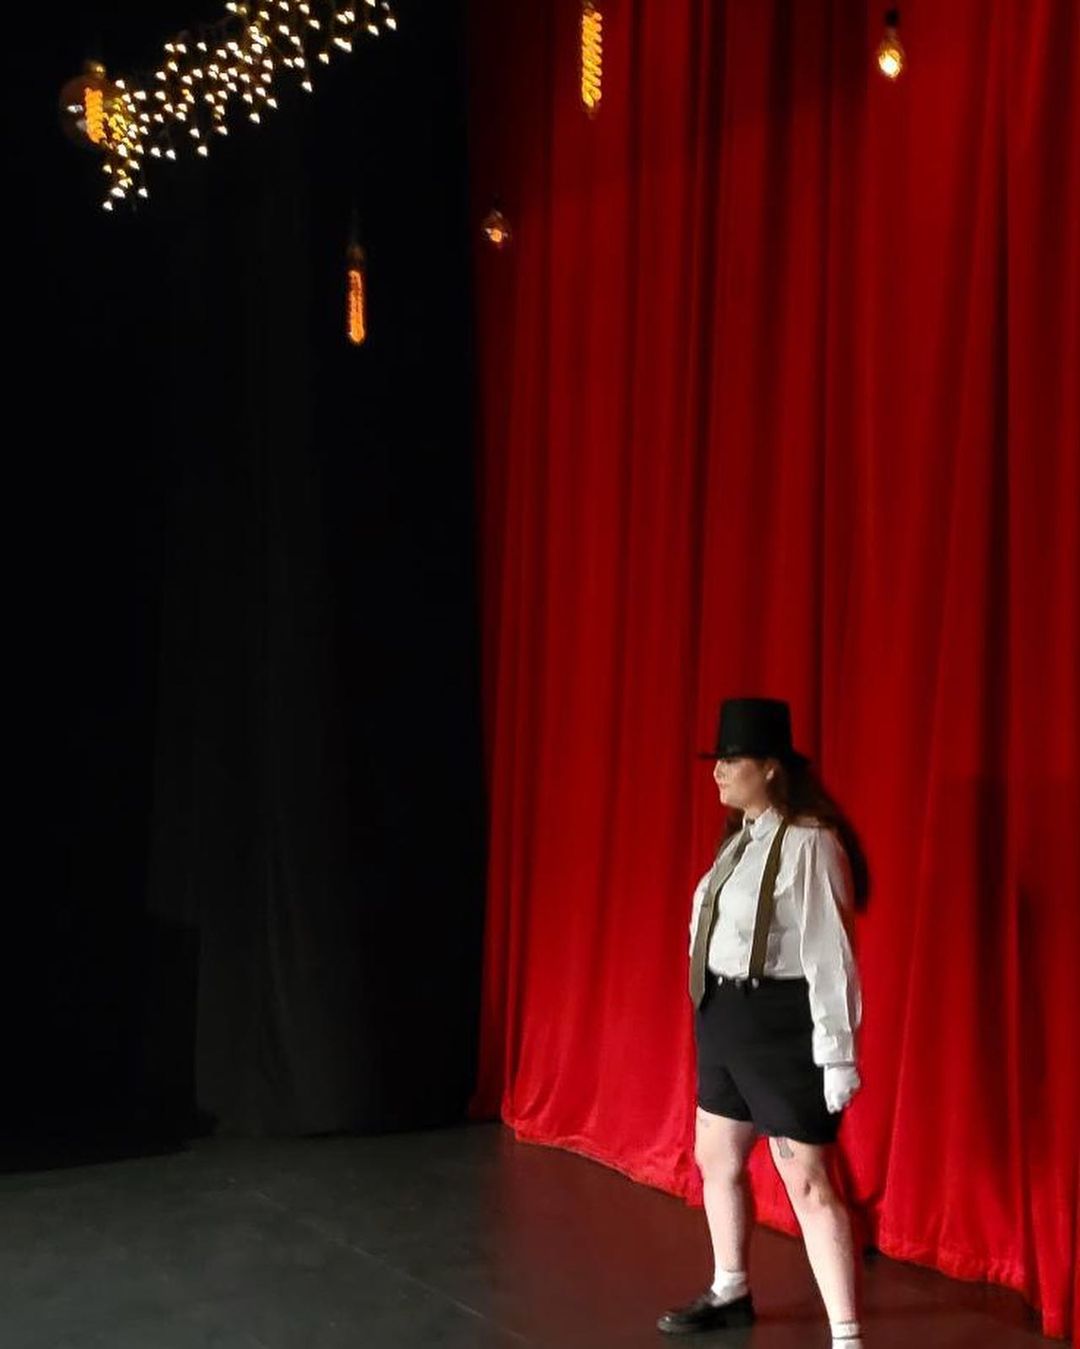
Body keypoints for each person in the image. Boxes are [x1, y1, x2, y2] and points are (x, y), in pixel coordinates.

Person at [657, 697, 866, 1347]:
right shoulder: (739, 841)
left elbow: (830, 952)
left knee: (806, 1180)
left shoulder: (809, 842)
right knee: (716, 1156)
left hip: (779, 1024)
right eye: (717, 760)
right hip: (723, 1016)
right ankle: (731, 1289)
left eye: (732, 759)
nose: (717, 771)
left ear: (771, 767)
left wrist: (837, 1053)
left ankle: (847, 1336)